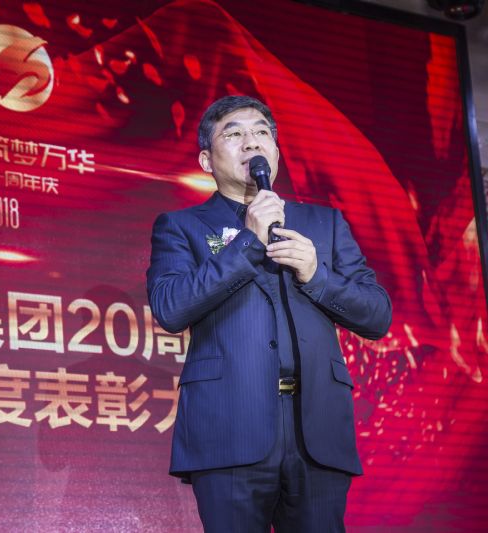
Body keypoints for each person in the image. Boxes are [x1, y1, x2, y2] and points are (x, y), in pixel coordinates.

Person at [146, 95, 392, 532]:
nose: (251, 143)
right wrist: (247, 242)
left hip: (317, 430)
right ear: (206, 160)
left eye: (262, 133)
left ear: (275, 153)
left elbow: (376, 315)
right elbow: (170, 307)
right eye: (234, 134)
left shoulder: (325, 224)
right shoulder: (182, 226)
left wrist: (316, 275)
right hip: (228, 429)